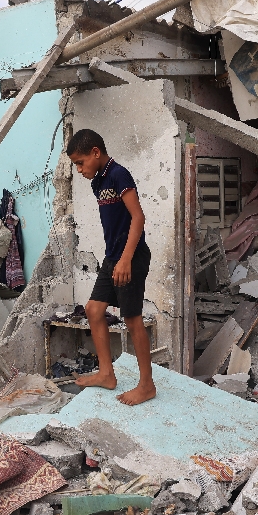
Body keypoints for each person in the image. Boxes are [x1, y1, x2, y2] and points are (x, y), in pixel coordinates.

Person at [66, 128, 155, 406]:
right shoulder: (97, 182)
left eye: (81, 162)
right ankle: (106, 373)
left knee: (132, 319)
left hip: (132, 256)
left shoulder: (119, 174)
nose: (79, 170)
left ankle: (147, 385)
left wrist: (126, 258)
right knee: (93, 309)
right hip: (112, 257)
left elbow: (138, 217)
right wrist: (117, 259)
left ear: (95, 152)